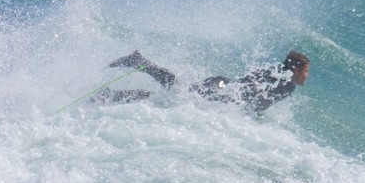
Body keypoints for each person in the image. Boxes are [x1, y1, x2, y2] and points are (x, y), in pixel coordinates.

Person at [94, 50, 310, 113]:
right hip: (223, 93)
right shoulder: (288, 84)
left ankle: (114, 95)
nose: (307, 76)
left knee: (174, 93)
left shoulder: (274, 69)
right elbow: (261, 103)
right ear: (297, 69)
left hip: (222, 84)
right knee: (175, 94)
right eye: (306, 71)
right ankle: (139, 64)